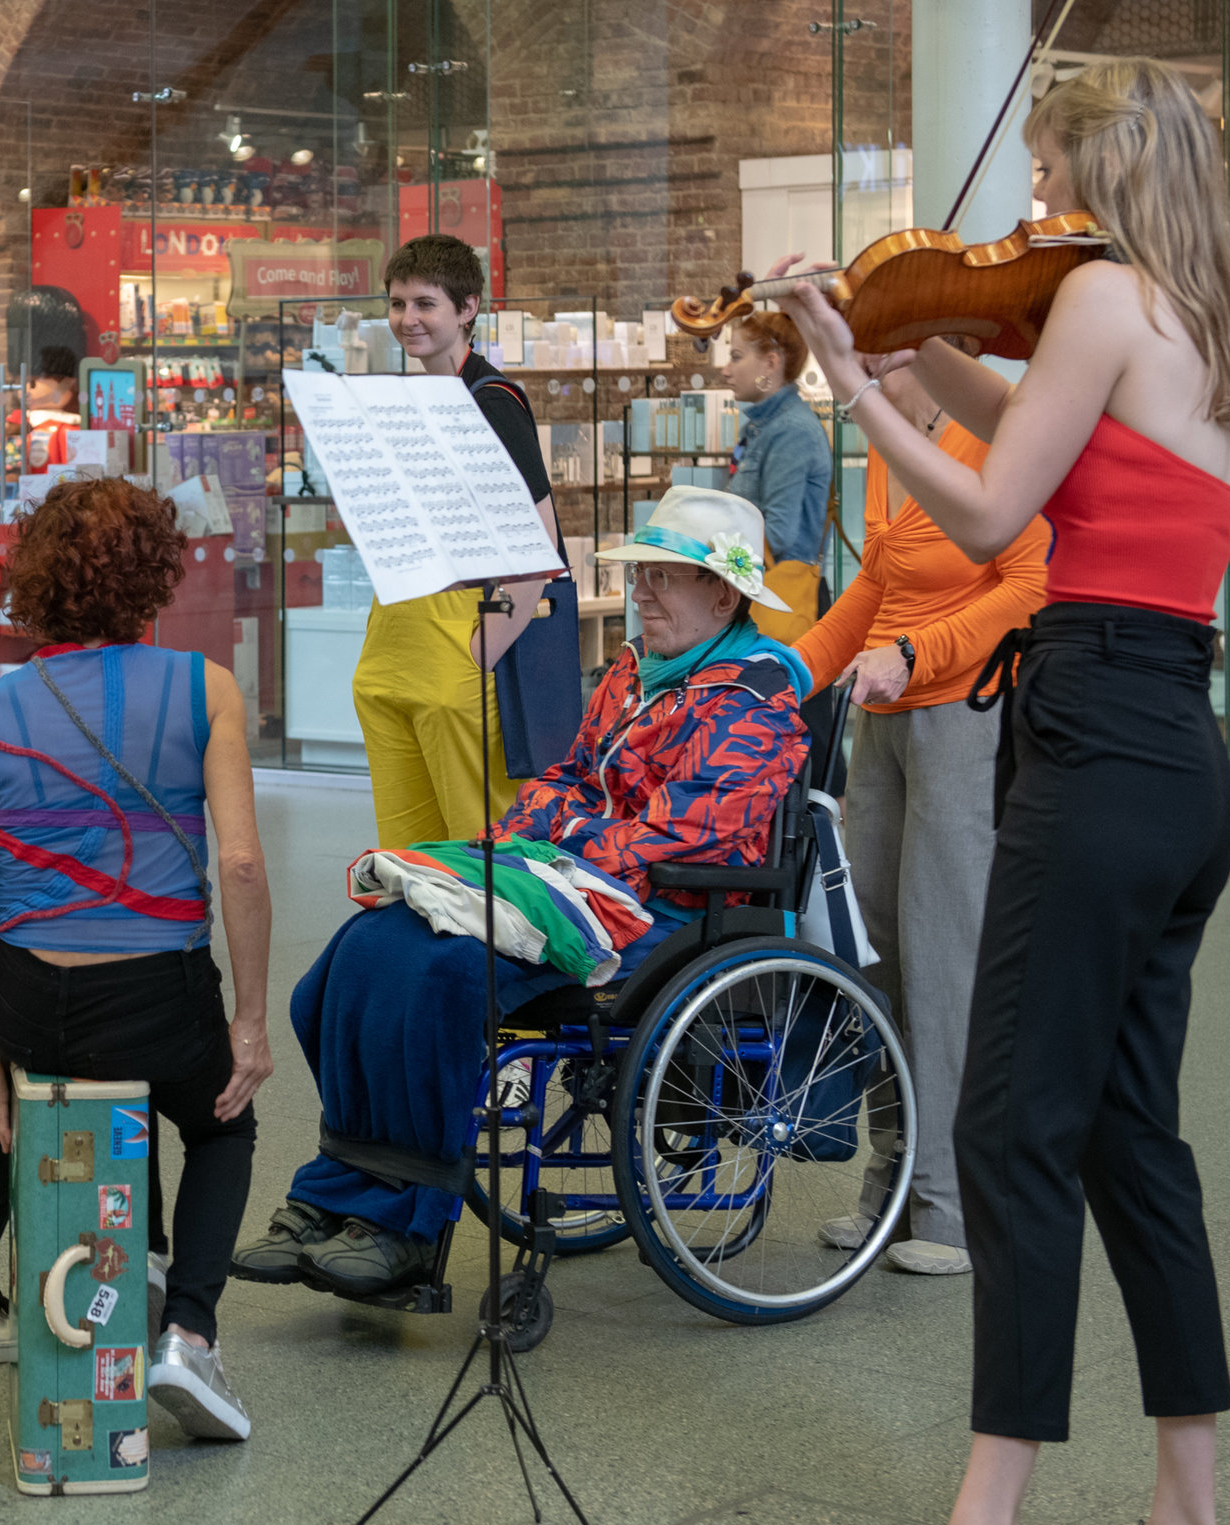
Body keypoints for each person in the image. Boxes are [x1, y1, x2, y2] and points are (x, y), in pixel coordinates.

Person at [773, 58, 1230, 1525]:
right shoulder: (1191, 317)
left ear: (1107, 176)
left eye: (1054, 173)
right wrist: (922, 360)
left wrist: (851, 377)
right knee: (1130, 1134)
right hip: (1176, 753)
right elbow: (1045, 442)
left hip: (1099, 740)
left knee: (1010, 1126)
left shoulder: (1104, 295)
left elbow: (988, 522)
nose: (1037, 208)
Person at [237, 486, 808, 1296]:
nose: (640, 590)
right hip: (575, 885)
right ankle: (340, 1197)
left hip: (661, 914)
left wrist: (565, 839)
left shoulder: (756, 699)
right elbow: (567, 776)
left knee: (441, 975)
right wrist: (545, 833)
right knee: (349, 961)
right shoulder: (635, 671)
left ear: (723, 592)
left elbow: (688, 836)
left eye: (662, 576)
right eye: (639, 572)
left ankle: (402, 1225)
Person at [0, 477, 273, 1445]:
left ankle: (56, 1274)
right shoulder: (205, 690)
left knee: (50, 1099)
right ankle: (188, 1333)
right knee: (221, 1120)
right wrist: (248, 1019)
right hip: (157, 995)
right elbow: (238, 862)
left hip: (29, 998)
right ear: (154, 577)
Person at [788, 362, 1048, 1278]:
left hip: (966, 711)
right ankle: (893, 1191)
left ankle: (956, 1206)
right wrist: (790, 673)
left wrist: (915, 650)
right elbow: (874, 586)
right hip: (886, 716)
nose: (852, 371)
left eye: (868, 354)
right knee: (879, 957)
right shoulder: (883, 446)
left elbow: (1028, 584)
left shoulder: (996, 432)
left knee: (946, 957)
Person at [353, 234, 579, 851]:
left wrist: (481, 651)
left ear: (468, 308)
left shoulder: (493, 402)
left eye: (426, 304)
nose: (408, 319)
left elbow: (541, 550)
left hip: (460, 658)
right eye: (398, 304)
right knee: (410, 858)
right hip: (398, 657)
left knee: (485, 855)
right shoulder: (417, 398)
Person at [720, 309, 831, 634]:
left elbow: (778, 535)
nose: (726, 370)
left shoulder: (790, 431)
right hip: (757, 595)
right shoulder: (764, 427)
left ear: (771, 363)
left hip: (773, 599)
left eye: (737, 357)